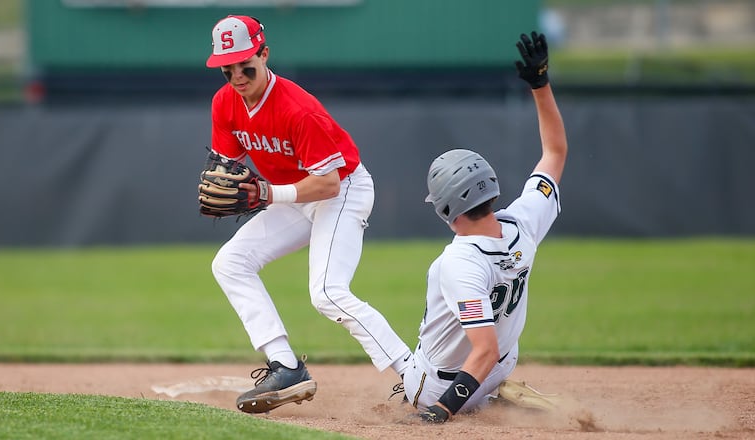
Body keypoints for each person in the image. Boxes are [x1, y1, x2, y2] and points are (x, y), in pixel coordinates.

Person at [202, 15, 412, 414]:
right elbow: (226, 166)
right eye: (226, 67)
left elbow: (329, 183)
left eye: (245, 63)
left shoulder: (298, 109)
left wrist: (266, 193)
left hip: (343, 189)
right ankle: (284, 365)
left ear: (264, 54)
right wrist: (232, 184)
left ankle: (417, 374)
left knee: (328, 293)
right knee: (230, 262)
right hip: (293, 196)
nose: (236, 75)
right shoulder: (224, 103)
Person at [402, 31, 568, 423]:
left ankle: (482, 401)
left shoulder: (460, 261)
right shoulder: (523, 222)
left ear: (446, 209)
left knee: (397, 359)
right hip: (499, 368)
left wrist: (441, 411)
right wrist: (540, 84)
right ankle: (496, 395)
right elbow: (555, 151)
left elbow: (483, 350)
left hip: (443, 387)